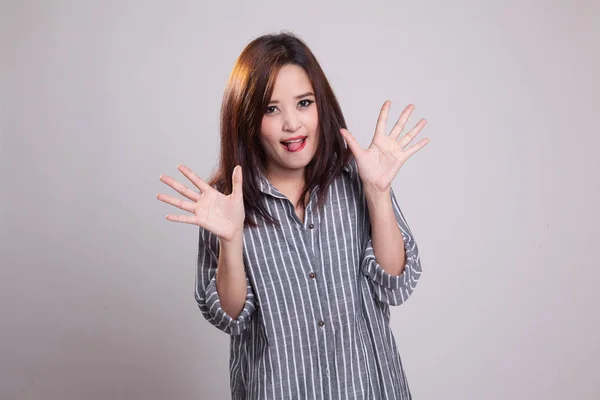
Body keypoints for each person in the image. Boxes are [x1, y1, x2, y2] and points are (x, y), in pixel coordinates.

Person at [156, 31, 429, 400]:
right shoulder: (225, 204)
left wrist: (378, 194)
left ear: (322, 105)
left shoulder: (357, 178)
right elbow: (230, 317)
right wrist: (231, 239)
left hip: (369, 388)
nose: (292, 124)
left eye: (303, 103)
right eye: (271, 109)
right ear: (248, 119)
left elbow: (395, 284)